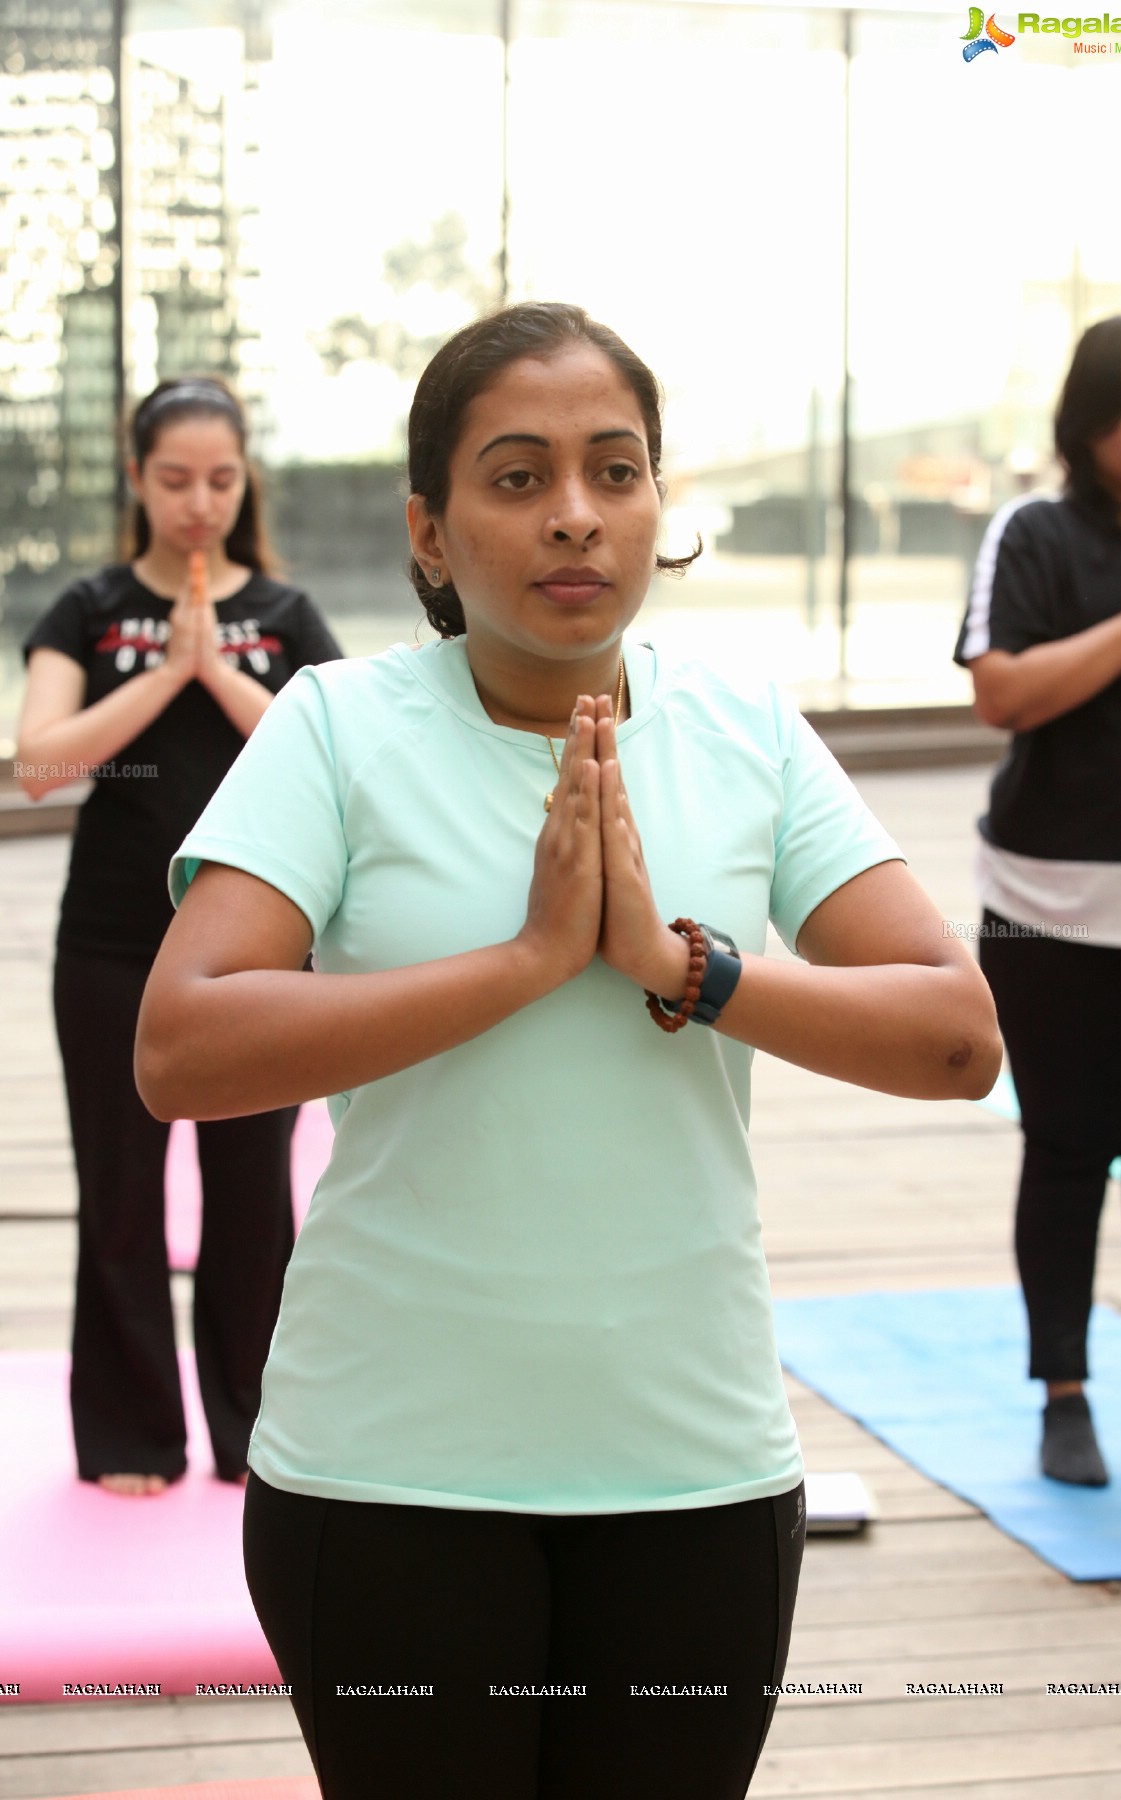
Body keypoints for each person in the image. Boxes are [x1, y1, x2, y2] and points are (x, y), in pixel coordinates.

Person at [136, 304, 1000, 1800]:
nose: (576, 516)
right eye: (519, 476)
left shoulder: (746, 731)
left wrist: (689, 968)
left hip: (695, 1472)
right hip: (386, 1473)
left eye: (616, 469)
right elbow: (183, 1047)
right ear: (430, 525)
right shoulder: (336, 729)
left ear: (662, 505)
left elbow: (954, 1036)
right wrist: (528, 962)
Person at [16, 376, 342, 1495]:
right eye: (173, 480)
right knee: (122, 1193)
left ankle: (256, 1431)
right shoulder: (88, 608)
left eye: (219, 478)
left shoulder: (286, 617)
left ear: (244, 478)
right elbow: (40, 765)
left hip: (263, 955)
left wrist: (218, 669)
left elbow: (337, 758)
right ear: (136, 478)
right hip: (110, 948)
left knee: (256, 1195)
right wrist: (162, 672)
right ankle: (130, 1434)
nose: (199, 501)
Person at [956, 314, 1121, 1487]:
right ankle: (1064, 1390)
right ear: (1088, 418)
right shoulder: (1036, 532)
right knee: (1067, 1151)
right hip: (1056, 906)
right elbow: (1001, 693)